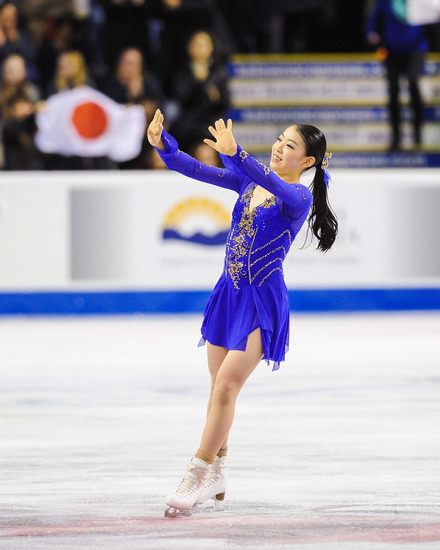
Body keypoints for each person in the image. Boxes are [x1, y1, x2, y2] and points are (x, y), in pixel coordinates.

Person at [147, 109, 338, 516]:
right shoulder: (248, 182)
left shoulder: (298, 197)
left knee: (228, 387)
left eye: (290, 146)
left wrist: (237, 156)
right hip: (228, 295)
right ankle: (219, 468)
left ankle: (197, 471)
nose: (279, 148)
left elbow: (275, 184)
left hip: (261, 302)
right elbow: (193, 168)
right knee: (218, 388)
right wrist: (164, 144)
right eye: (280, 139)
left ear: (307, 162)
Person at [367, 0, 428, 151]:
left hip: (416, 48)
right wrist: (371, 32)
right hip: (392, 49)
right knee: (393, 89)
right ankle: (396, 138)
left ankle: (417, 136)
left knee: (413, 84)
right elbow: (374, 18)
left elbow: (432, 14)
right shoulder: (386, 1)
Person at [168, 29, 230, 151]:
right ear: (189, 47)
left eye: (203, 44)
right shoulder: (182, 72)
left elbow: (225, 103)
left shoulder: (219, 73)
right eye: (196, 44)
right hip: (187, 125)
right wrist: (200, 84)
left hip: (211, 124)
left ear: (211, 47)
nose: (199, 48)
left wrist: (216, 98)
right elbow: (181, 97)